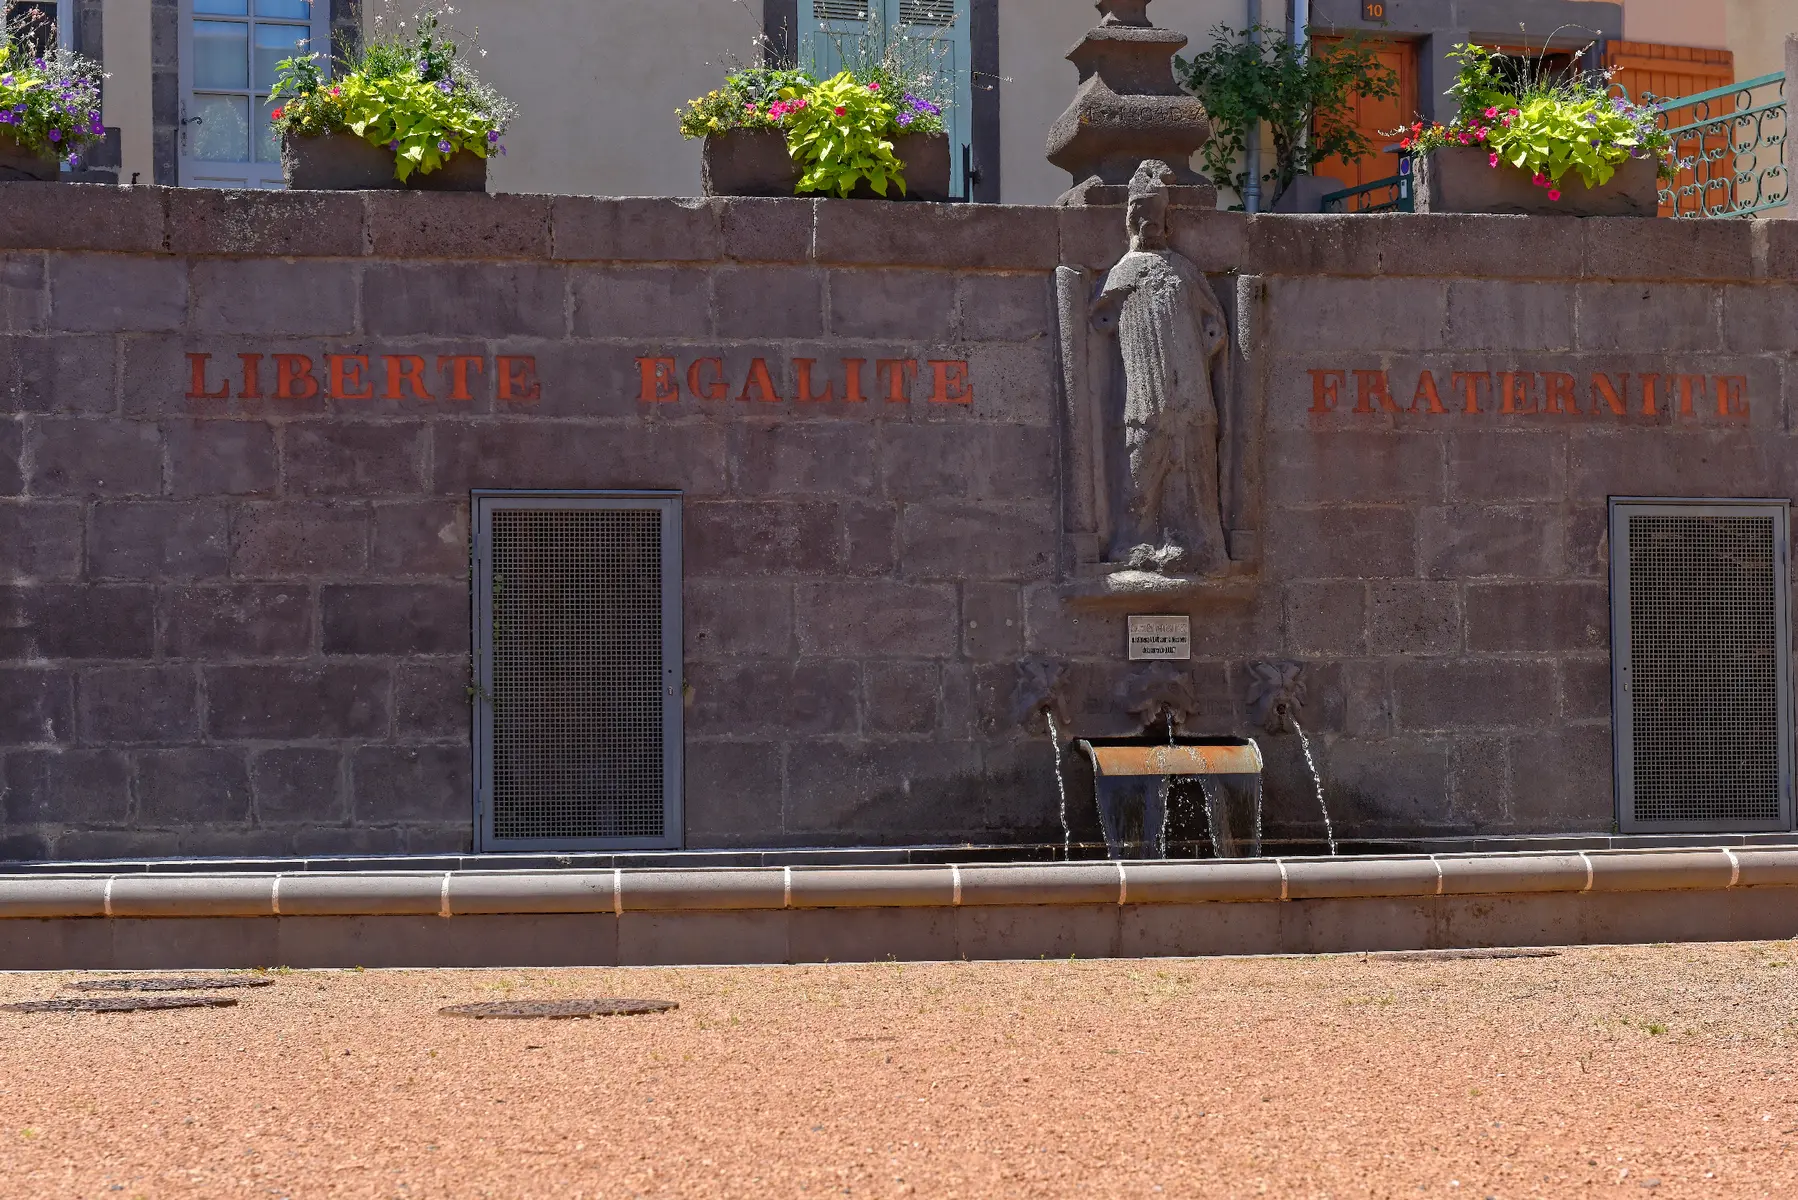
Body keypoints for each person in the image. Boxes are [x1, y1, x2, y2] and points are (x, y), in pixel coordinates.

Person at [1091, 159, 1230, 576]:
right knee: (1145, 450)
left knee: (1194, 453)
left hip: (1189, 381)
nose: (1149, 223)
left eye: (1156, 215)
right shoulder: (1125, 269)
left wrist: (1208, 339)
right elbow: (1100, 318)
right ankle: (1133, 542)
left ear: (1166, 221)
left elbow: (1214, 320)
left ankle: (1193, 540)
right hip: (1145, 380)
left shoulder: (1184, 269)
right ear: (1132, 221)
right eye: (1142, 215)